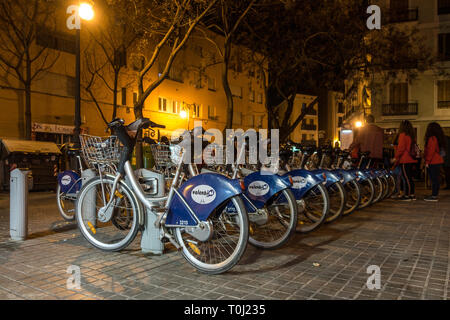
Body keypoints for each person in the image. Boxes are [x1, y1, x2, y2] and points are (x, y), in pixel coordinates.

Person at [393, 120, 417, 201]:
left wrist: (395, 157)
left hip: (405, 159)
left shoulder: (403, 135)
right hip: (411, 159)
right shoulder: (411, 135)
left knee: (406, 178)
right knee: (409, 177)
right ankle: (412, 194)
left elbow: (401, 148)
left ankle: (407, 195)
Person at [423, 122, 446, 201]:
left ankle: (434, 196)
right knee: (435, 179)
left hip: (433, 161)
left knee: (434, 179)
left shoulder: (432, 138)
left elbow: (431, 151)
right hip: (437, 161)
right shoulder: (437, 138)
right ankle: (434, 195)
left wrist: (427, 162)